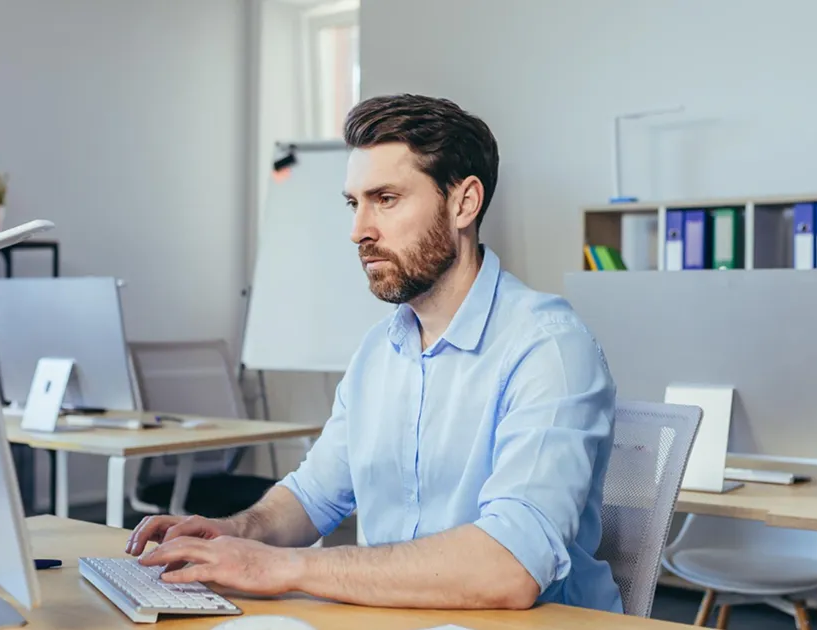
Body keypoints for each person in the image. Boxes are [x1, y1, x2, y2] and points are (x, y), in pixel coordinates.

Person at [126, 93, 620, 613]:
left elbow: (509, 568)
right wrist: (233, 534)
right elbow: (314, 496)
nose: (359, 230)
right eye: (353, 202)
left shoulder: (549, 347)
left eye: (385, 198)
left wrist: (282, 567)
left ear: (464, 203)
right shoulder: (379, 351)